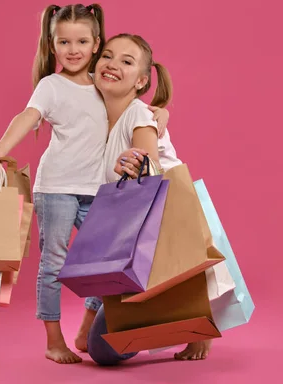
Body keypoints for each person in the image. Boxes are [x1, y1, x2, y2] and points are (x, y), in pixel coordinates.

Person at [0, 5, 170, 364]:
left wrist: (162, 110)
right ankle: (54, 341)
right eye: (64, 42)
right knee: (54, 263)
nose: (73, 50)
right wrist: (0, 150)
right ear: (51, 46)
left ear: (96, 43)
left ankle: (85, 330)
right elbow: (28, 117)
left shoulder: (104, 83)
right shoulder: (51, 86)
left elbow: (136, 104)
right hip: (55, 187)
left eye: (82, 41)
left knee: (105, 263)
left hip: (98, 189)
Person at [84, 33, 211, 365]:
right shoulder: (94, 116)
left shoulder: (139, 116)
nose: (112, 65)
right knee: (100, 341)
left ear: (141, 81)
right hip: (134, 225)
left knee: (104, 352)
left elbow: (150, 170)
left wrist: (134, 163)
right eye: (107, 56)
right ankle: (99, 324)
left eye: (126, 62)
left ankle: (198, 327)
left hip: (164, 219)